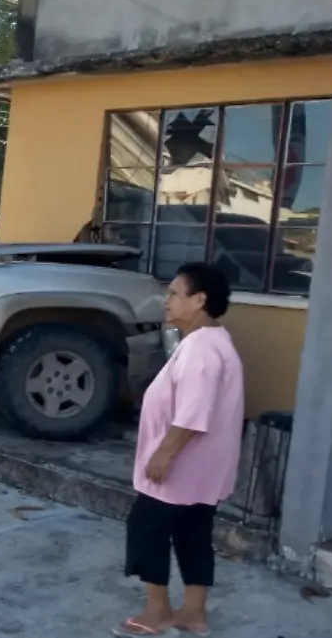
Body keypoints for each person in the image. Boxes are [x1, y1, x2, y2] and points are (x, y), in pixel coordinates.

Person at [114, 262, 244, 638]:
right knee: (193, 533)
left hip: (182, 467)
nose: (166, 300)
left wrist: (164, 453)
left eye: (173, 293)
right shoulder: (213, 341)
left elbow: (193, 414)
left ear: (199, 300)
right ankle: (193, 613)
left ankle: (158, 612)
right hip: (204, 469)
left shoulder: (201, 349)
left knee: (145, 528)